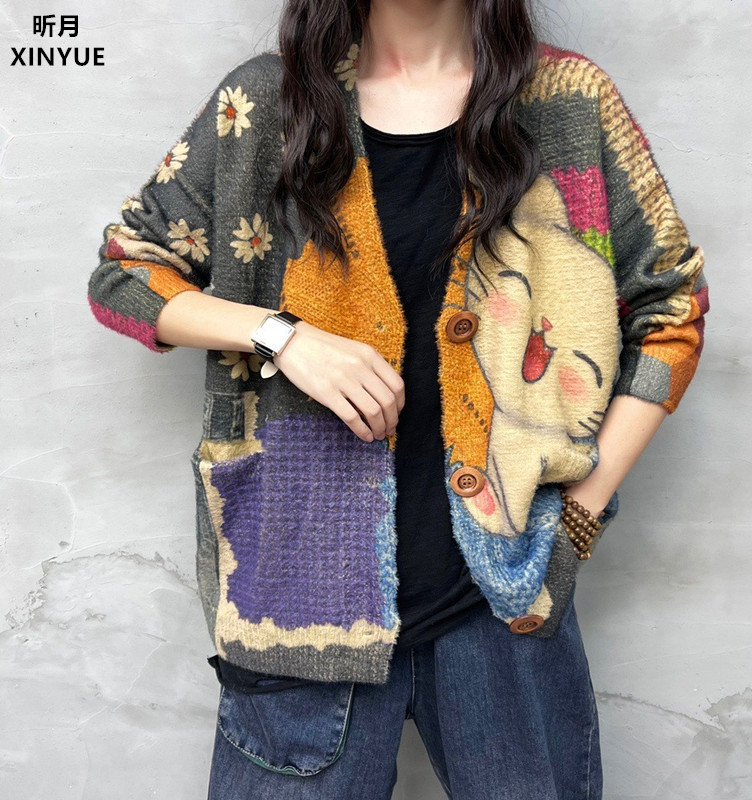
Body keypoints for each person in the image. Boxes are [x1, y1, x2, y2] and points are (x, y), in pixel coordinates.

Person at [86, 0, 710, 797]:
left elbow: (673, 309)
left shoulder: (567, 104)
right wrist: (282, 336)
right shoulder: (267, 106)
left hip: (504, 599)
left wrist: (576, 521)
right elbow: (125, 274)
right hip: (298, 598)